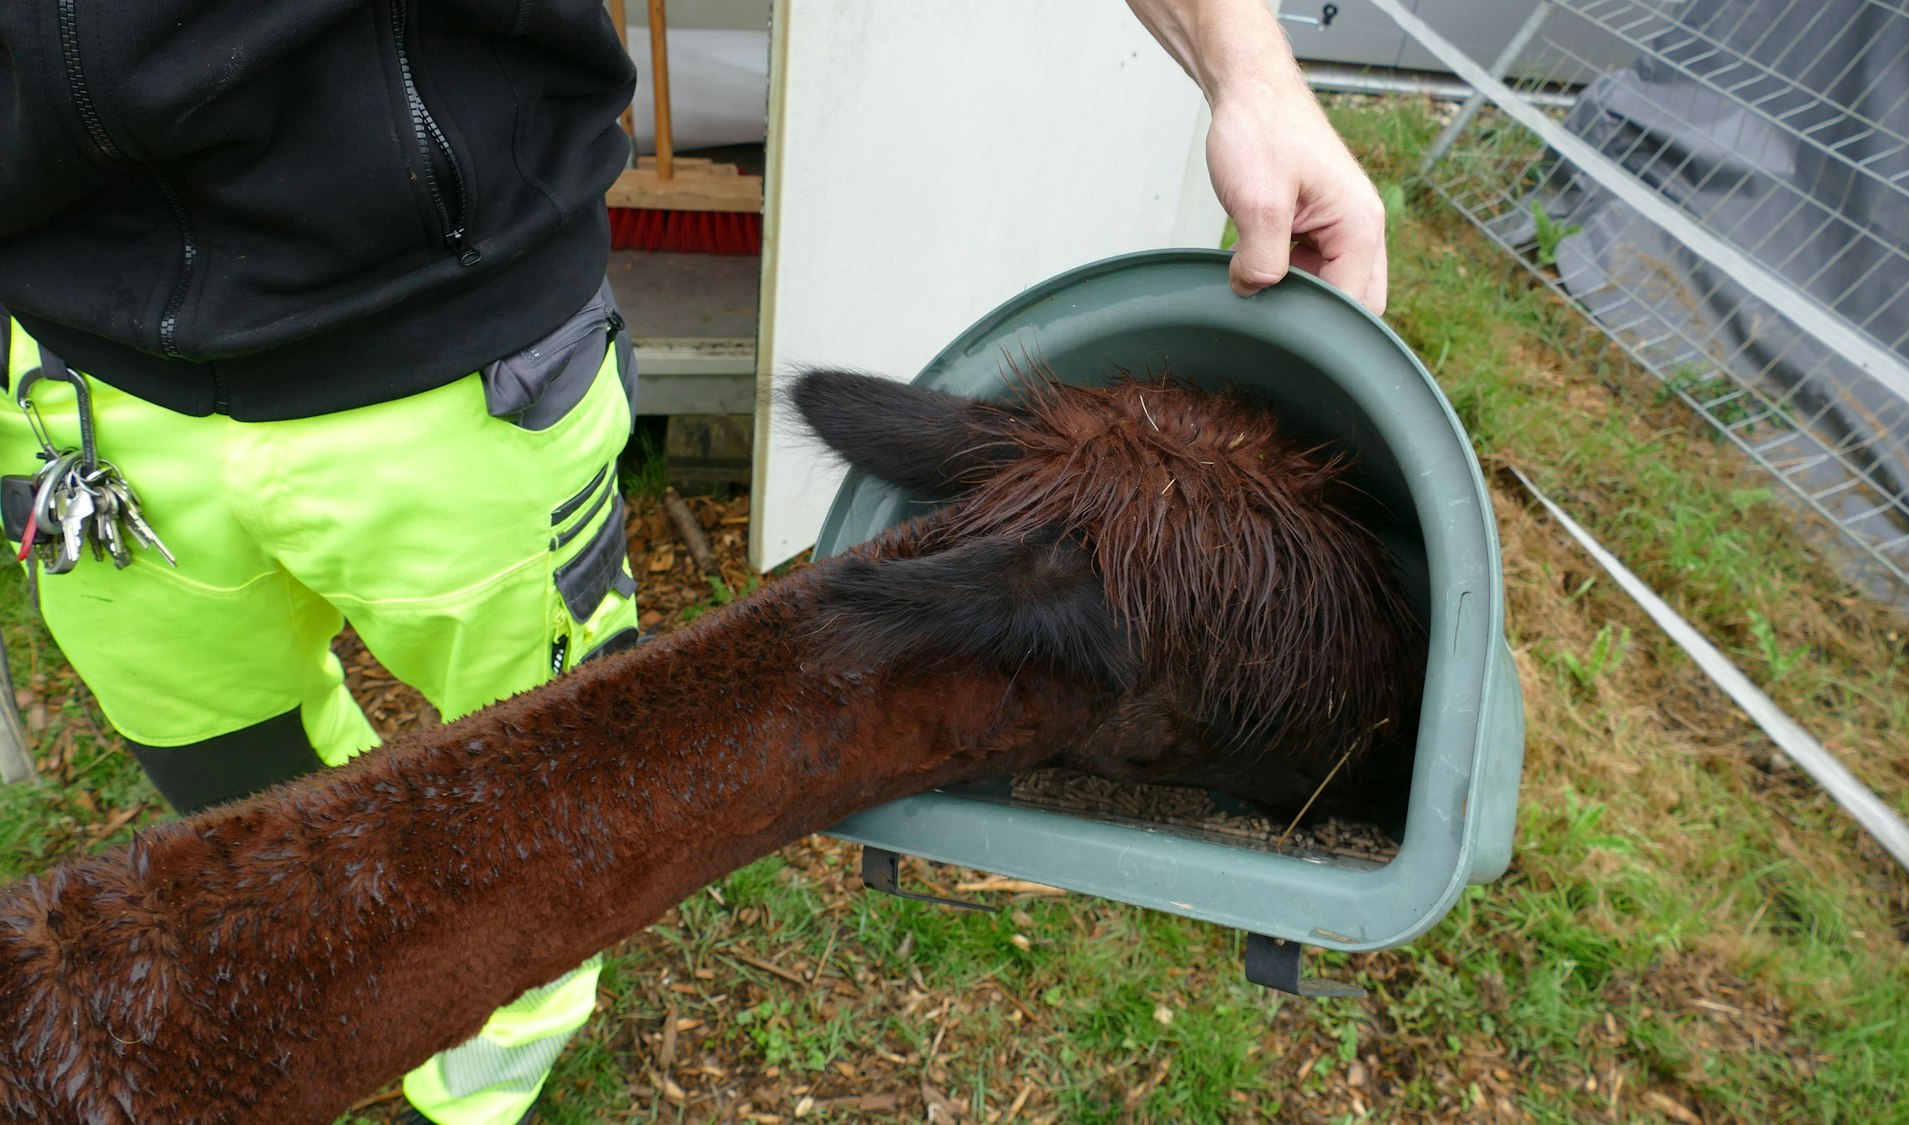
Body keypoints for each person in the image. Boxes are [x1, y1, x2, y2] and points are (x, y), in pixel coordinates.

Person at [0, 1, 1384, 1122]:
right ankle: (336, 1002)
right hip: (73, 384)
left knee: (541, 789)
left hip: (434, 351)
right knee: (213, 751)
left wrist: (1246, 67)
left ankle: (484, 1067)